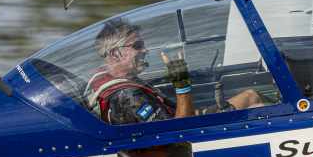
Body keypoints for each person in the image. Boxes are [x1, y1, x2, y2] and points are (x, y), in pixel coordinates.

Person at [85, 18, 263, 125]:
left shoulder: (103, 77)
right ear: (115, 53)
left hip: (181, 123)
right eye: (137, 46)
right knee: (258, 110)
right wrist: (181, 83)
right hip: (181, 154)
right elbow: (179, 134)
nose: (145, 50)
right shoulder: (128, 95)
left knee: (250, 95)